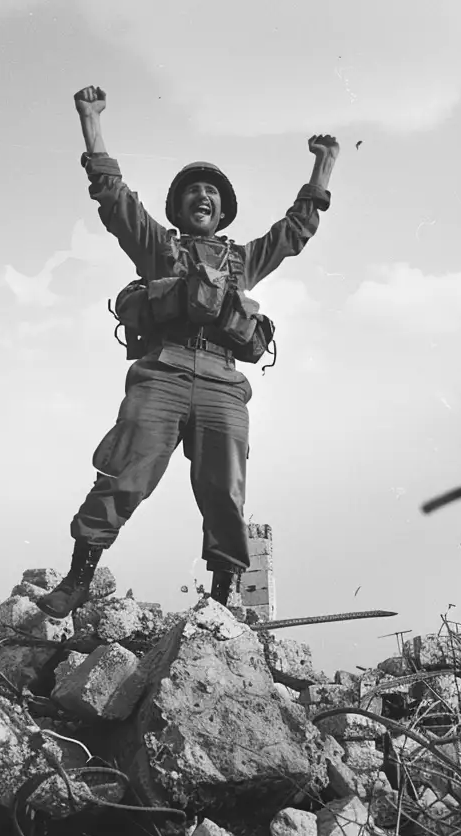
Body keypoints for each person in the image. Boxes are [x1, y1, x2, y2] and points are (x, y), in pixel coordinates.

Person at [36, 86, 342, 619]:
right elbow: (113, 197)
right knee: (126, 475)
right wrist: (91, 121)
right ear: (177, 207)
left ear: (222, 211)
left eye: (212, 192)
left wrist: (324, 166)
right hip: (163, 375)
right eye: (193, 190)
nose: (203, 196)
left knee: (225, 494)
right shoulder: (160, 249)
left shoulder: (242, 261)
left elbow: (294, 231)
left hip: (224, 385)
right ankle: (78, 579)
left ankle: (220, 604)